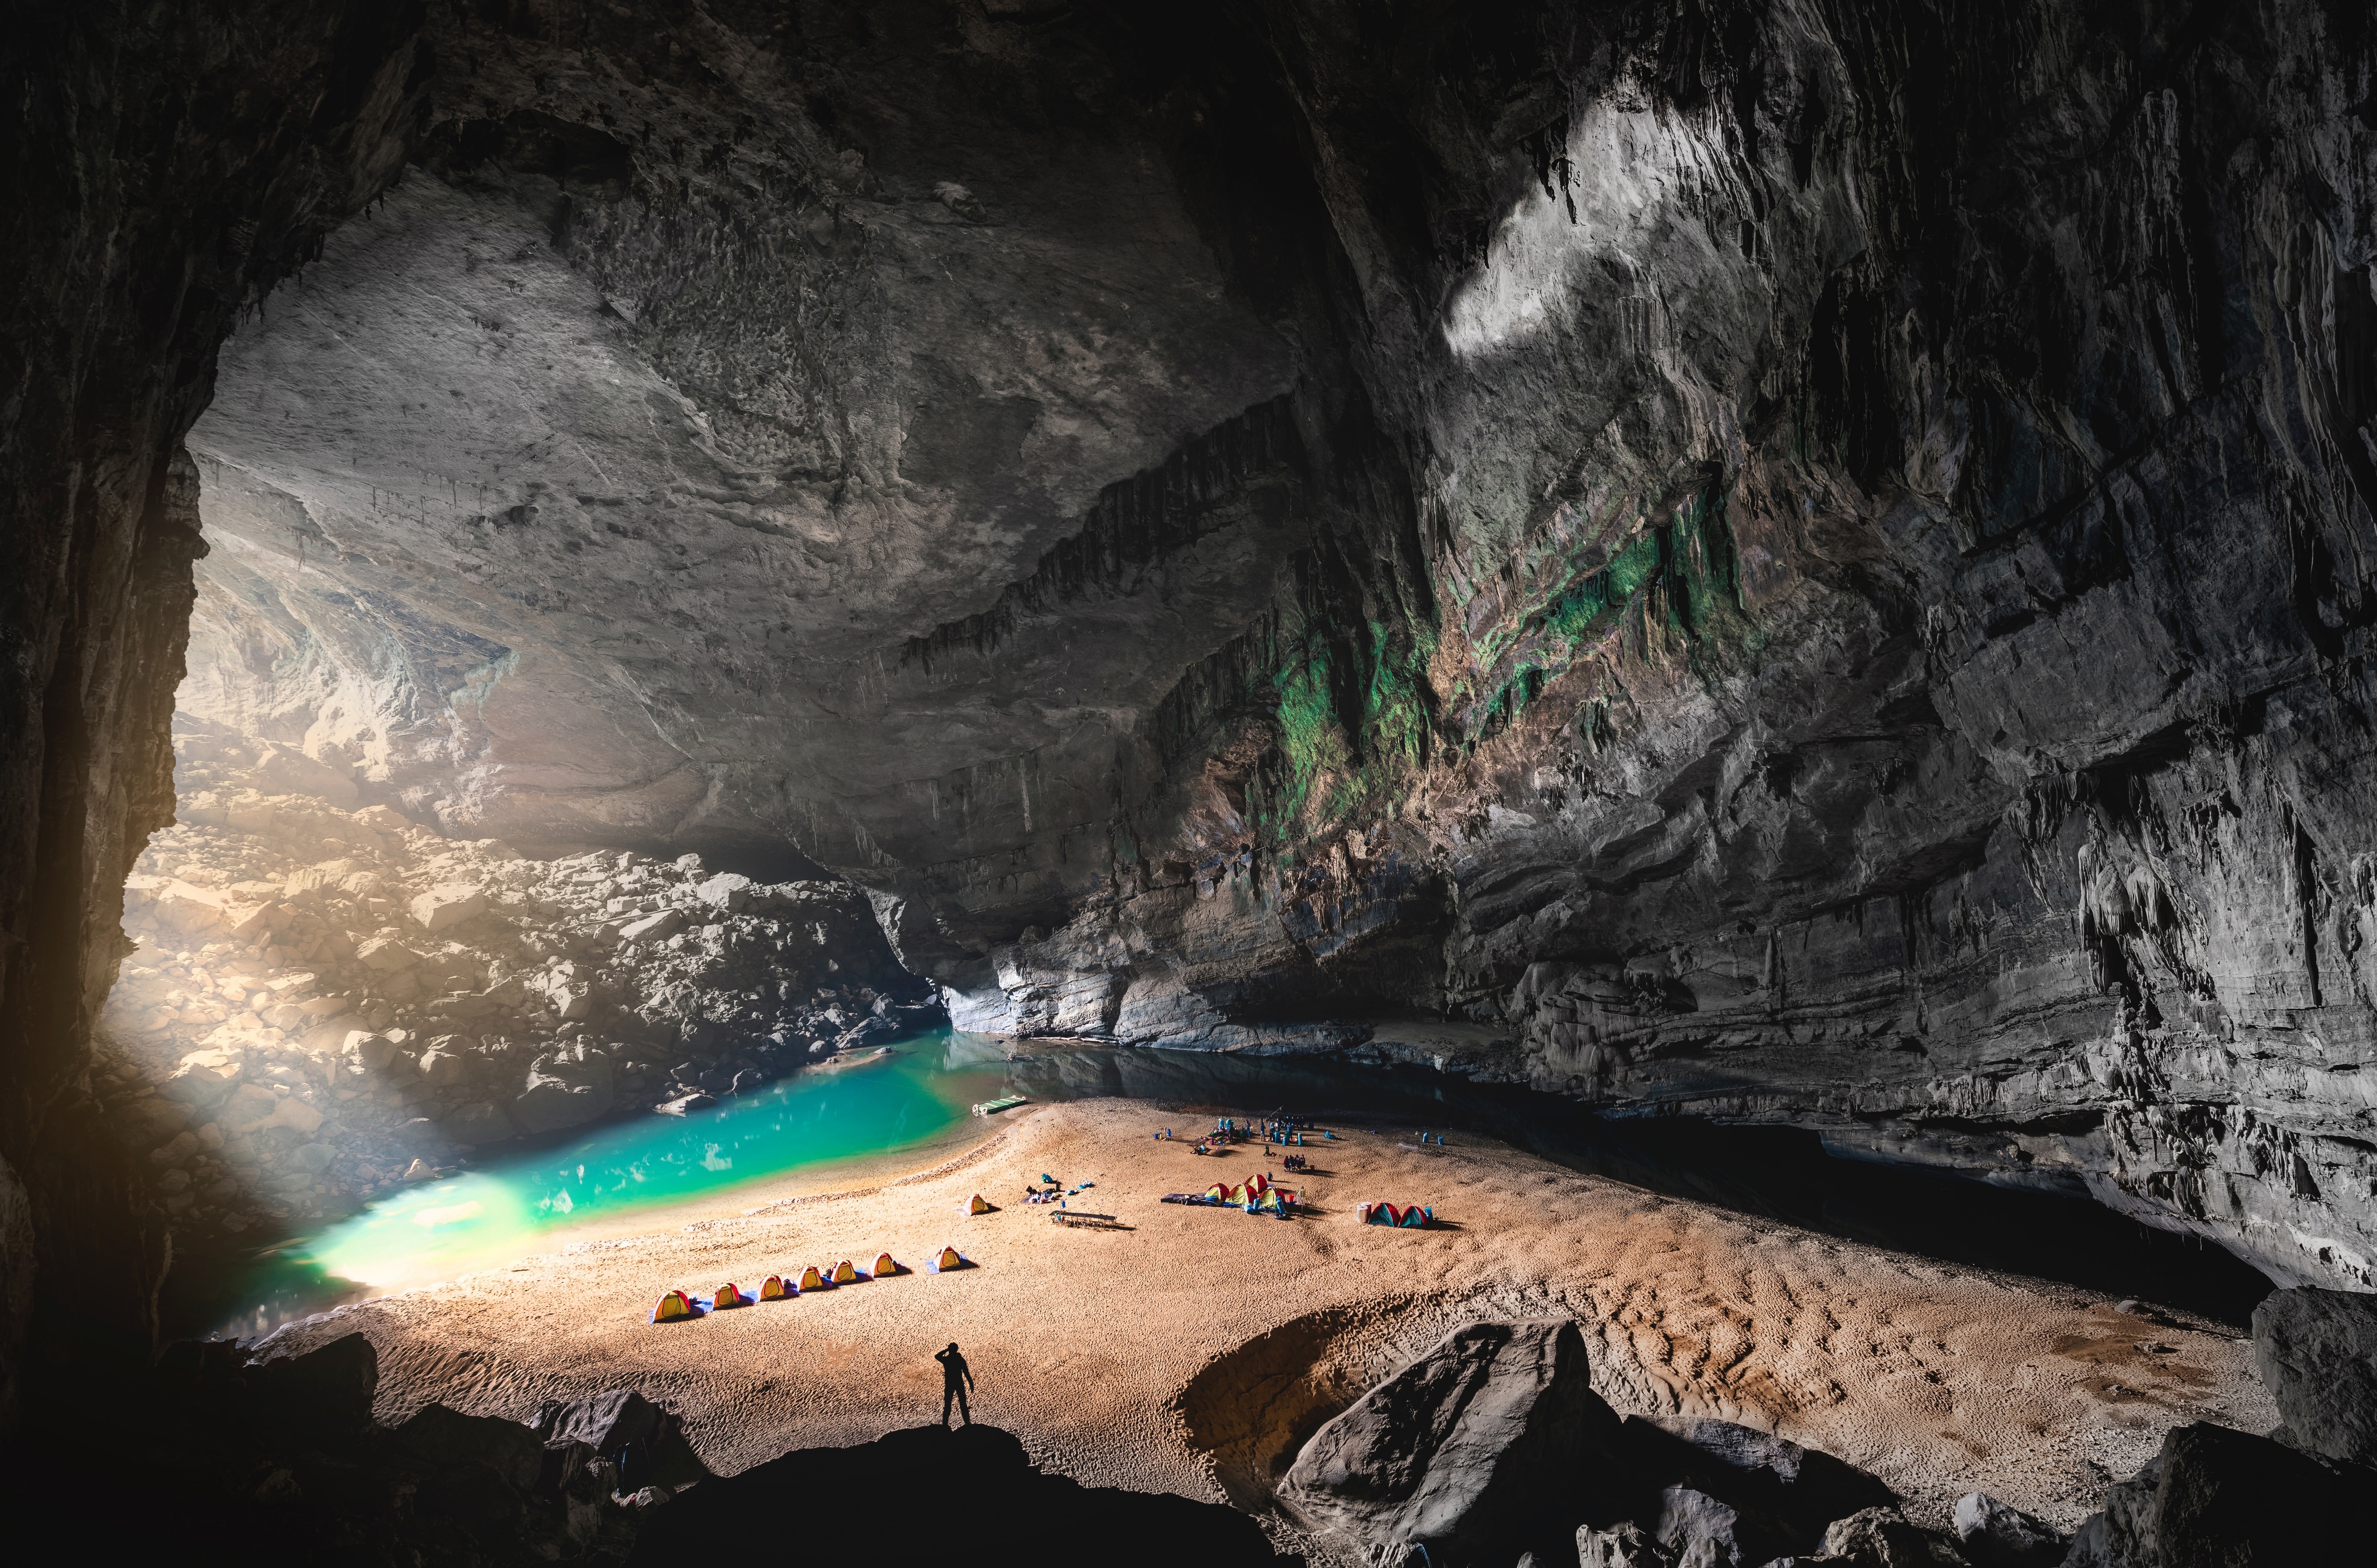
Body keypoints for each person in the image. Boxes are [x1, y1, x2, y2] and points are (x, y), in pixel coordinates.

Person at [936, 1342, 974, 1426]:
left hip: (951, 1384)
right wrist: (971, 1383)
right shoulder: (959, 1360)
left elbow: (937, 1356)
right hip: (957, 1384)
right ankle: (967, 1423)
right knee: (960, 1404)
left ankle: (946, 1424)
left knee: (951, 1404)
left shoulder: (948, 1360)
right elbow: (966, 1373)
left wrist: (946, 1350)